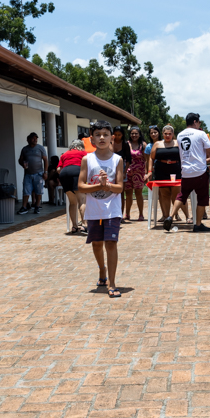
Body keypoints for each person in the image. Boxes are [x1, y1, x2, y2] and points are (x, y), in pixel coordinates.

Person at [78, 120, 124, 297]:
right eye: (98, 135)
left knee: (111, 243)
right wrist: (99, 185)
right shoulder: (87, 159)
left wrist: (108, 185)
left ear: (112, 138)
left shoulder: (117, 160)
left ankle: (112, 283)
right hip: (94, 210)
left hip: (112, 209)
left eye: (105, 134)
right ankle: (102, 270)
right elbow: (81, 186)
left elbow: (120, 188)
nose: (102, 138)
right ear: (92, 139)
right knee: (97, 243)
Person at [165, 113, 210, 232]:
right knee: (202, 198)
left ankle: (170, 216)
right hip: (200, 171)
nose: (199, 124)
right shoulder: (200, 134)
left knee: (182, 195)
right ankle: (198, 224)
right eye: (199, 122)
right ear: (195, 122)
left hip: (186, 172)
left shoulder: (180, 135)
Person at [147, 124, 190, 223]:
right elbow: (151, 158)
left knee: (178, 194)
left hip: (176, 170)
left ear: (173, 134)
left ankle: (187, 216)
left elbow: (185, 156)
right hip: (161, 171)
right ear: (162, 134)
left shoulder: (178, 143)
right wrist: (149, 171)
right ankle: (166, 217)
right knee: (164, 194)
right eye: (166, 134)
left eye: (170, 134)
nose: (167, 135)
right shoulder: (157, 144)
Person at [59, 139, 88, 234]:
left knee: (72, 202)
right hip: (77, 171)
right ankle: (85, 225)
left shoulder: (64, 154)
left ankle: (74, 226)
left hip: (64, 173)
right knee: (82, 200)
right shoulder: (83, 153)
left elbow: (59, 169)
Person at [17, 132, 48, 214]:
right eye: (33, 138)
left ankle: (37, 206)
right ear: (28, 139)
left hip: (39, 173)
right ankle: (24, 207)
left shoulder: (40, 148)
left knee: (39, 191)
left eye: (36, 138)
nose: (35, 140)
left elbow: (45, 160)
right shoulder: (25, 149)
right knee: (26, 190)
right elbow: (20, 160)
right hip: (28, 174)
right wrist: (22, 164)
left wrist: (45, 172)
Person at [123, 126, 148, 221]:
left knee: (138, 193)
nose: (134, 135)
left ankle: (141, 214)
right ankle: (127, 214)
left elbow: (146, 160)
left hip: (139, 173)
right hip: (128, 172)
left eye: (136, 133)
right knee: (128, 193)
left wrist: (146, 173)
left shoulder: (143, 145)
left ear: (139, 134)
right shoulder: (126, 144)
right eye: (132, 133)